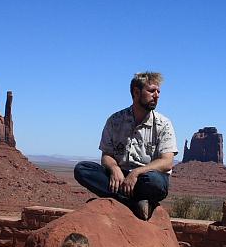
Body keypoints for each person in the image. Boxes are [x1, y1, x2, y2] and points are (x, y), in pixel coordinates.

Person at [74, 71, 178, 220]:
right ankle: (132, 203)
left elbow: (167, 162)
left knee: (155, 181)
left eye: (158, 91)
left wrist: (136, 173)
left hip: (145, 179)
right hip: (120, 178)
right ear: (136, 92)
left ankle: (121, 198)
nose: (157, 95)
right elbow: (107, 155)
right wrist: (114, 169)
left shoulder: (164, 124)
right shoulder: (115, 120)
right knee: (82, 169)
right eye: (151, 91)